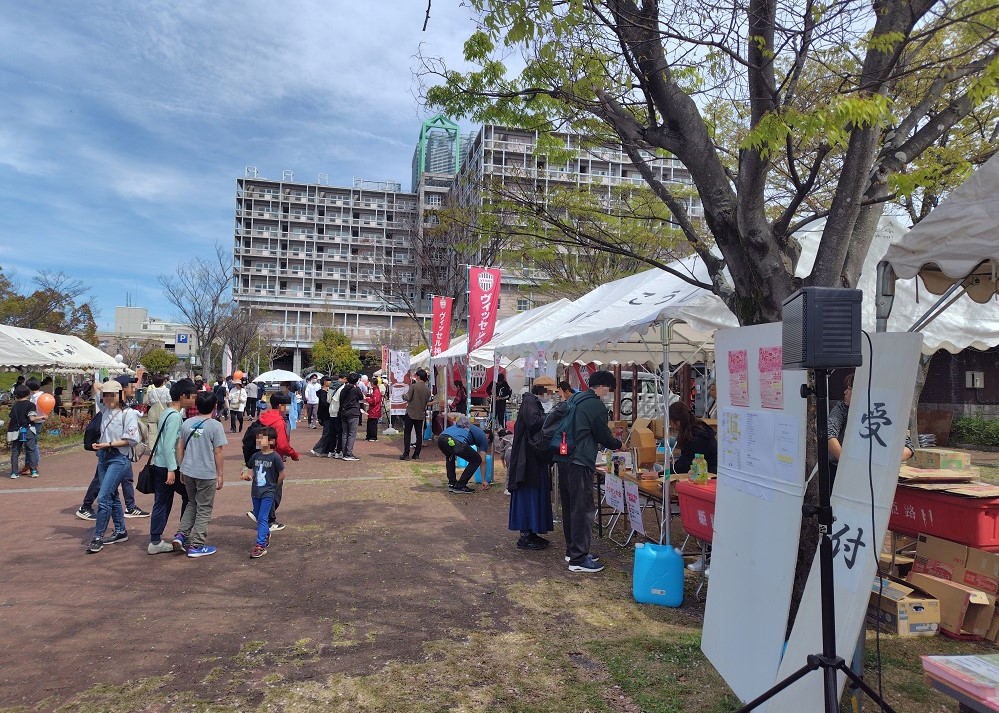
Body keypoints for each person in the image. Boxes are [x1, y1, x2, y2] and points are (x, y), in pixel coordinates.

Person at [555, 369, 622, 574]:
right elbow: (603, 435)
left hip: (563, 457)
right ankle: (578, 558)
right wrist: (617, 443)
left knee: (570, 506)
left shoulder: (575, 397)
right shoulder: (596, 405)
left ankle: (573, 550)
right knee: (583, 508)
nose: (608, 393)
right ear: (602, 386)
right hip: (580, 460)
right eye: (609, 389)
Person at [74, 376, 149, 520]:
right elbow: (96, 385)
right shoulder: (107, 406)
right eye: (131, 386)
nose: (134, 389)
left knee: (125, 479)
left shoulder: (125, 408)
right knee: (102, 485)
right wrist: (109, 387)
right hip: (108, 452)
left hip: (119, 453)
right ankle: (87, 506)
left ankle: (129, 508)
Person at [85, 380, 142, 553]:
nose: (107, 398)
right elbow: (95, 385)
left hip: (119, 458)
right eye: (105, 395)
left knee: (103, 497)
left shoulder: (129, 414)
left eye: (112, 395)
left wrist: (107, 444)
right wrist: (106, 386)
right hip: (103, 457)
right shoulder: (105, 409)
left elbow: (131, 440)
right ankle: (120, 530)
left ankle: (98, 536)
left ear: (120, 395)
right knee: (112, 495)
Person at [171, 391, 227, 558]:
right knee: (204, 508)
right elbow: (218, 452)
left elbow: (179, 447)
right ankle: (196, 544)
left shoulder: (187, 423)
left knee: (192, 503)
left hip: (188, 470)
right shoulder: (215, 426)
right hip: (206, 472)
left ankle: (181, 535)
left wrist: (181, 467)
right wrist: (221, 474)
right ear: (215, 407)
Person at [828, 372, 914, 477]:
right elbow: (829, 434)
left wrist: (882, 461)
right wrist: (847, 462)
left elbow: (908, 447)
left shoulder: (882, 413)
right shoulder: (842, 408)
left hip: (874, 474)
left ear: (861, 391)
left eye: (850, 388)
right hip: (839, 470)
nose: (845, 392)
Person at [146, 378, 196, 555]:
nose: (194, 400)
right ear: (183, 396)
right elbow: (169, 445)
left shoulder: (167, 412)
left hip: (160, 464)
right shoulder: (175, 416)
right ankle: (183, 534)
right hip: (169, 466)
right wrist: (172, 469)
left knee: (162, 502)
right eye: (192, 396)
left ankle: (157, 539)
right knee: (190, 498)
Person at [507, 376, 556, 550]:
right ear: (542, 390)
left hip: (532, 458)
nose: (550, 395)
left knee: (534, 494)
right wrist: (553, 416)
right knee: (528, 495)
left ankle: (532, 532)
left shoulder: (532, 402)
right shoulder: (529, 402)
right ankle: (525, 536)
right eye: (549, 391)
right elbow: (534, 423)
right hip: (526, 459)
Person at [251, 393, 300, 531]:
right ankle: (268, 519)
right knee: (274, 490)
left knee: (261, 485)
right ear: (281, 406)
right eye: (287, 406)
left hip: (259, 456)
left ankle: (259, 513)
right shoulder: (279, 421)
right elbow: (282, 445)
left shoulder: (264, 417)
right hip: (273, 458)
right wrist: (294, 454)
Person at [241, 426, 285, 558]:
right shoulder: (256, 456)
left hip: (268, 493)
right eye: (258, 438)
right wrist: (247, 476)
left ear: (271, 441)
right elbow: (251, 470)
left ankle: (260, 545)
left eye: (262, 438)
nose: (259, 440)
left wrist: (273, 487)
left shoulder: (275, 457)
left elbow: (282, 474)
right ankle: (266, 534)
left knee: (262, 518)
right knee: (260, 516)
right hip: (256, 492)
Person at [438, 415, 489, 493]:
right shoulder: (484, 437)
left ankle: (452, 484)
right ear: (488, 436)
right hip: (456, 441)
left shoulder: (472, 428)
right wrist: (484, 480)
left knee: (450, 457)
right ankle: (460, 486)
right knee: (476, 460)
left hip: (442, 438)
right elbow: (483, 460)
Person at [668, 401, 718, 475]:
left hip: (707, 477)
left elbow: (684, 466)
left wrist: (663, 472)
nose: (670, 425)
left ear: (678, 422)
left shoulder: (696, 437)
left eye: (670, 422)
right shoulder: (697, 429)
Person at [7, 384, 44, 479]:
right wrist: (42, 417)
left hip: (15, 431)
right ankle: (33, 471)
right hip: (27, 430)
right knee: (30, 450)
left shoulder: (15, 405)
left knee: (15, 452)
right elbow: (32, 418)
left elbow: (11, 417)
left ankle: (14, 473)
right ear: (28, 394)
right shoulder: (31, 405)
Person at [401, 369, 432, 460]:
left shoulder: (414, 386)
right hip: (421, 414)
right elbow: (427, 402)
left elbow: (408, 397)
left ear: (418, 377)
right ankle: (416, 454)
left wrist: (403, 395)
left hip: (410, 413)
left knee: (407, 433)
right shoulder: (427, 389)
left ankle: (406, 454)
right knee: (419, 434)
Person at [338, 373, 365, 461]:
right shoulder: (355, 389)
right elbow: (361, 397)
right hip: (353, 412)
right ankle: (348, 453)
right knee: (352, 434)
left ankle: (344, 452)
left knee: (345, 433)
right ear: (356, 381)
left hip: (344, 412)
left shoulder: (343, 389)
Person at [310, 377, 334, 456]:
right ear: (324, 382)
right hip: (325, 415)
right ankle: (317, 449)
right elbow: (324, 404)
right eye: (328, 380)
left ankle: (325, 450)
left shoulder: (329, 391)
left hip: (330, 414)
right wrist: (331, 404)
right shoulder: (322, 392)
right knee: (326, 433)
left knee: (330, 433)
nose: (330, 382)